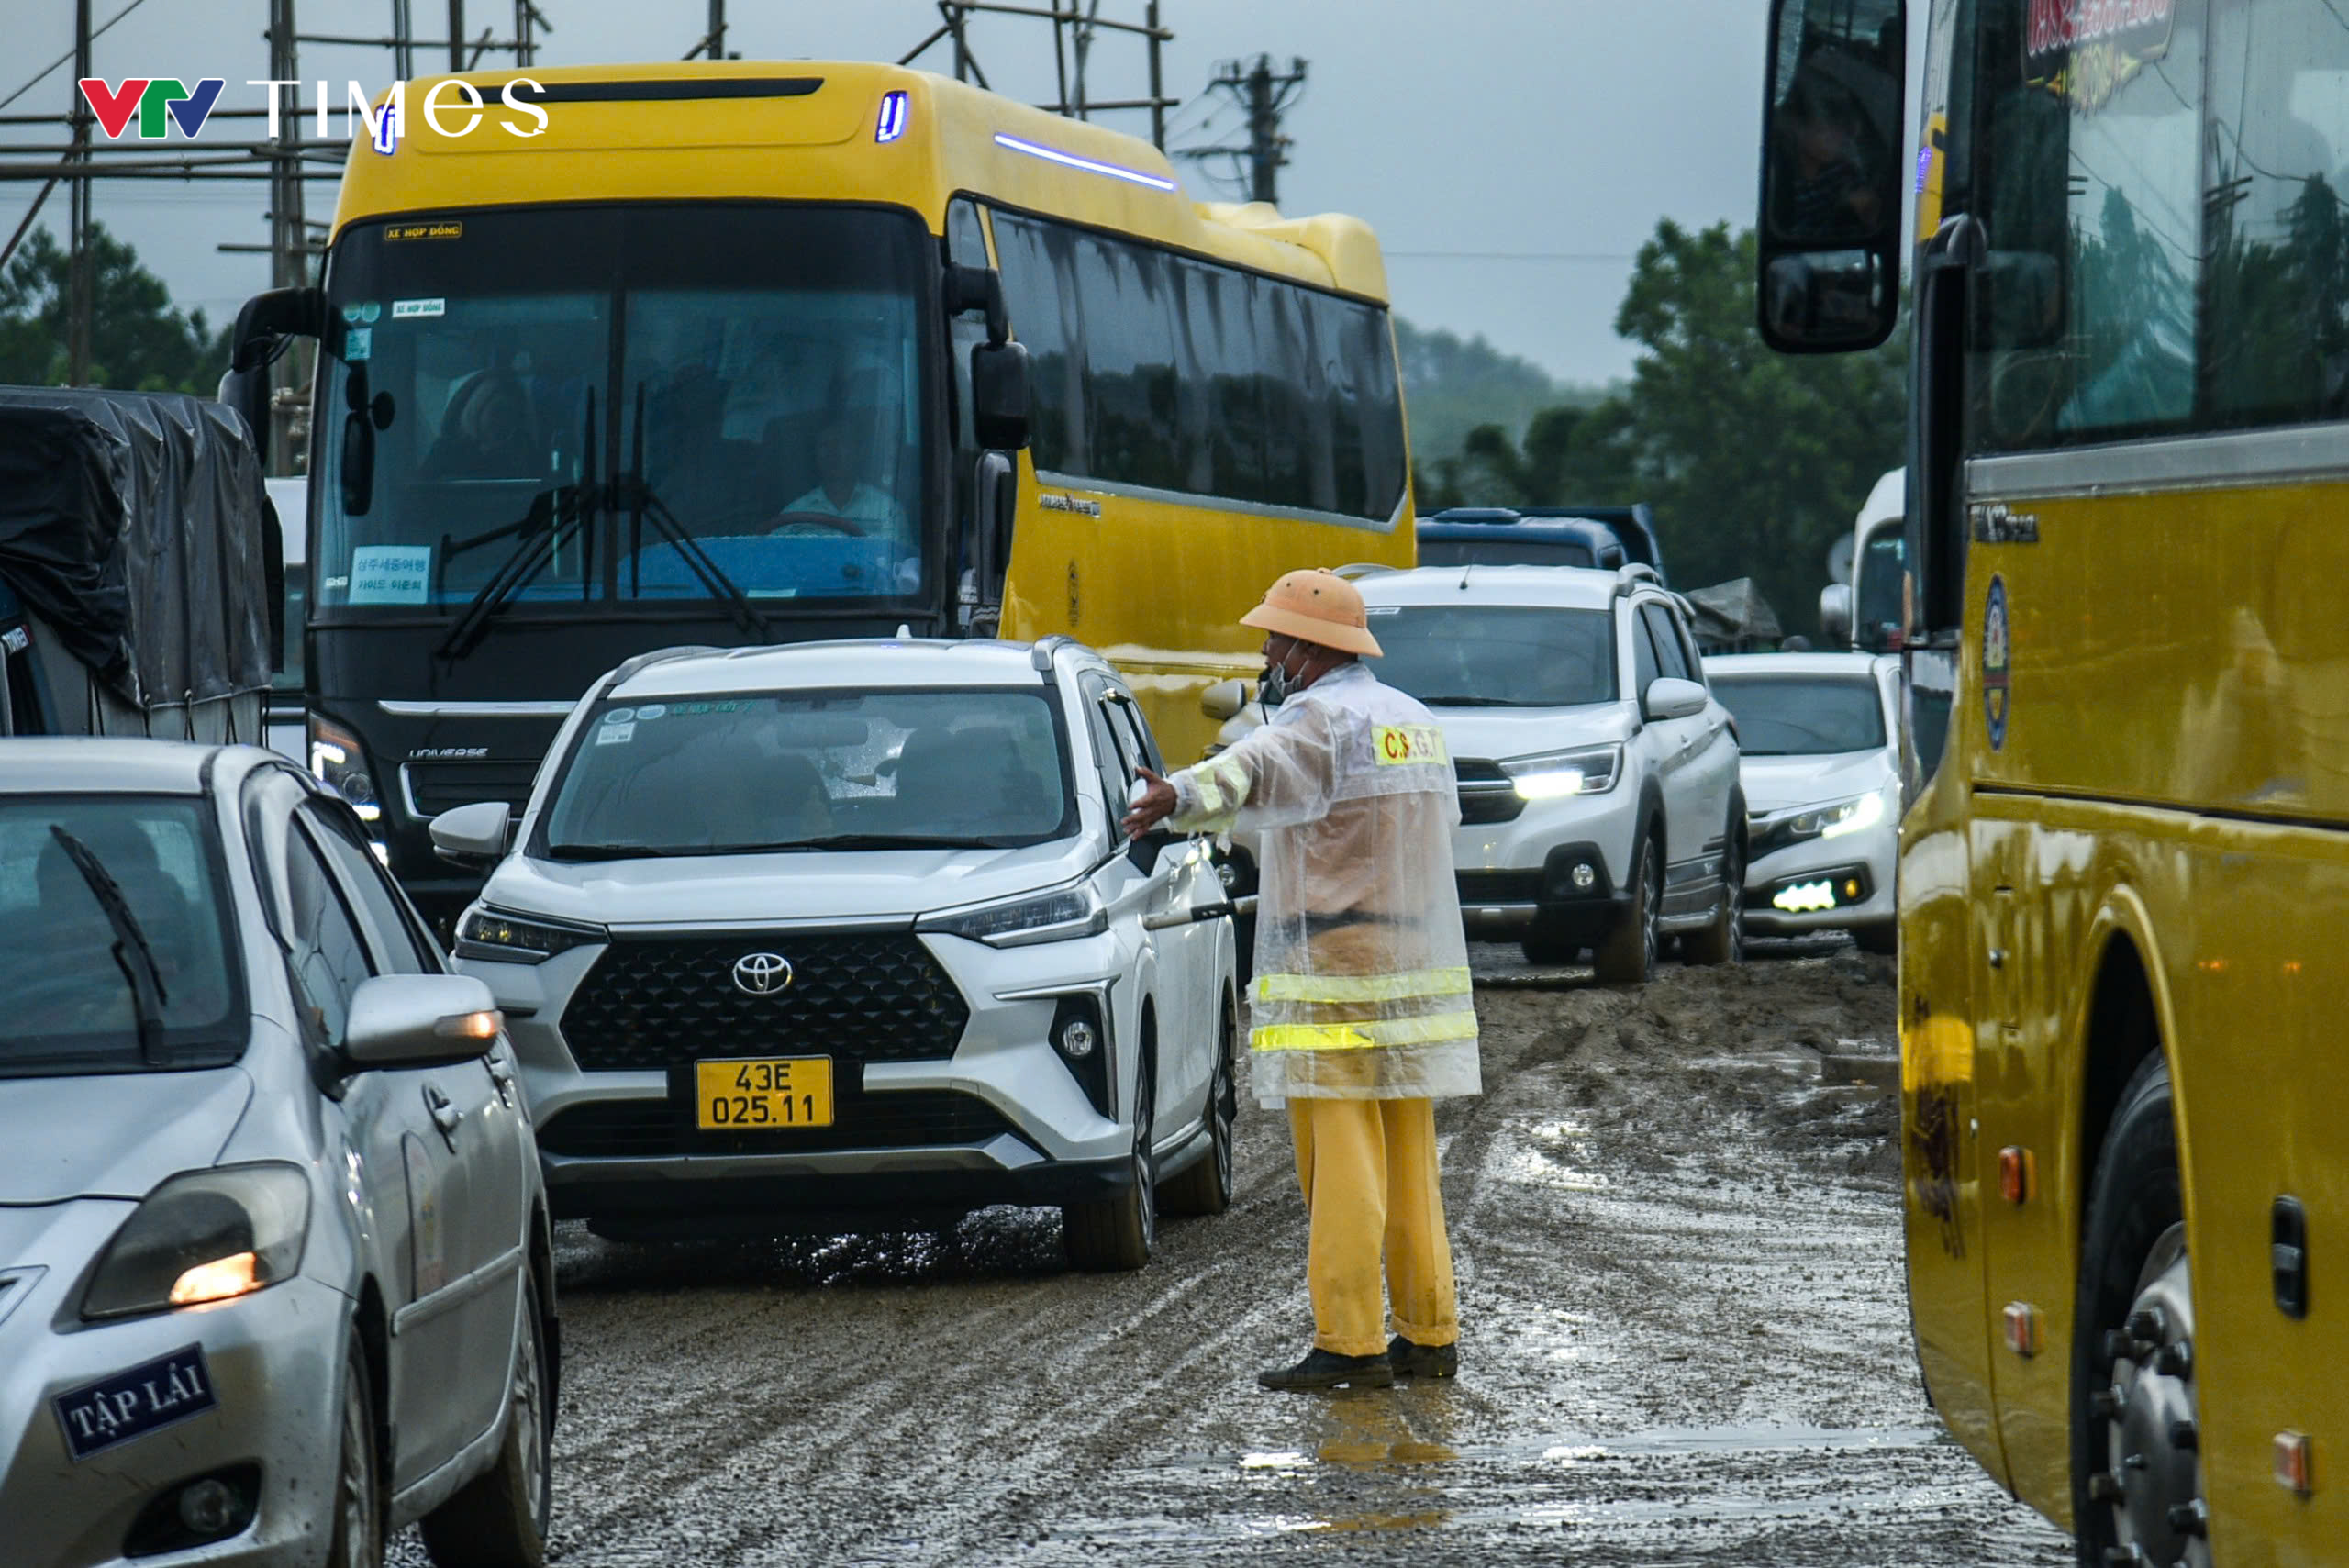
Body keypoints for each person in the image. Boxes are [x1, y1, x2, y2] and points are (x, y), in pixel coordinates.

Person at [1122, 568, 1482, 1392]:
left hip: (1333, 970)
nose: (1266, 652)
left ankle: (1350, 1341)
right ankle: (1429, 1334)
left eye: (1276, 639)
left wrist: (1176, 794)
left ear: (1311, 649)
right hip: (1411, 971)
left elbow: (1251, 769)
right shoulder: (1412, 721)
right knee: (1409, 1160)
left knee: (1341, 1162)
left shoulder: (1318, 716)